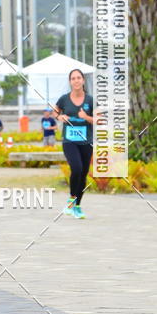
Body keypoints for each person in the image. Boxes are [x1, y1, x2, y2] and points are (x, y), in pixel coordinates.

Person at [53, 69, 96, 219]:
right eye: (73, 78)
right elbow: (55, 111)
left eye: (78, 78)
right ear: (70, 82)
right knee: (76, 168)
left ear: (83, 80)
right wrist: (60, 117)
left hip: (86, 142)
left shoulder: (90, 100)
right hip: (70, 141)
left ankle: (77, 207)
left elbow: (99, 119)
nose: (76, 80)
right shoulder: (64, 99)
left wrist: (86, 117)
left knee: (83, 174)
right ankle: (71, 201)